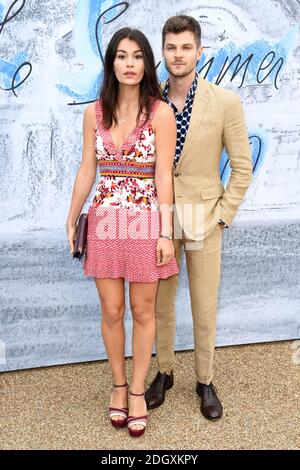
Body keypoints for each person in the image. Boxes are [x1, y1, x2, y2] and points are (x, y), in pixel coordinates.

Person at [66, 27, 179, 437]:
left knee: (143, 311)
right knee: (112, 311)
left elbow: (163, 174)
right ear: (111, 62)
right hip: (105, 221)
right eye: (121, 56)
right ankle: (117, 384)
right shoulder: (94, 112)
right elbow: (86, 168)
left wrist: (166, 231)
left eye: (137, 56)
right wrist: (72, 214)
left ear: (147, 63)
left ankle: (136, 392)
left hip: (146, 221)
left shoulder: (160, 113)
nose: (129, 64)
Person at [145, 15, 253, 420]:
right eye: (171, 47)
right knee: (161, 305)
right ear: (164, 52)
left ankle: (205, 381)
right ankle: (165, 372)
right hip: (160, 221)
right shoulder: (148, 102)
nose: (178, 54)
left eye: (185, 47)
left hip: (206, 219)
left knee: (205, 307)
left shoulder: (225, 102)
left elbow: (242, 167)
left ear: (198, 51)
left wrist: (222, 217)